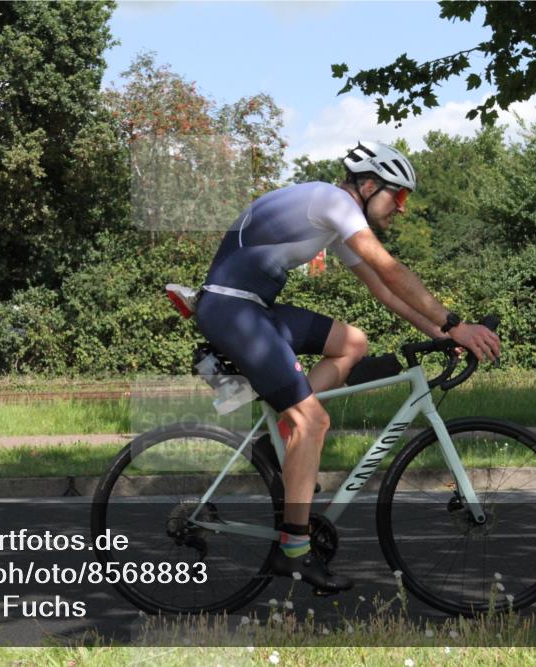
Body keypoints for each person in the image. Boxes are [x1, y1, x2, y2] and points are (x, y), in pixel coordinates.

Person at [194, 141, 501, 593]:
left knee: (352, 342)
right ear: (370, 184)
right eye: (397, 198)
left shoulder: (332, 218)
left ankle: (278, 439)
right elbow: (392, 270)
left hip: (254, 308)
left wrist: (443, 333)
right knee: (314, 421)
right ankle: (293, 552)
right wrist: (457, 323)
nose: (401, 209)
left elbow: (386, 291)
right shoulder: (333, 202)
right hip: (234, 309)